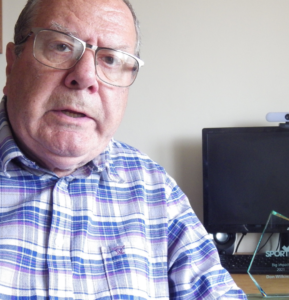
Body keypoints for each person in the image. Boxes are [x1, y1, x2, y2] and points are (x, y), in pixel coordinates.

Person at [0, 0, 246, 298]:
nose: (86, 77)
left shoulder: (155, 189)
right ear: (12, 63)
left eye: (111, 59)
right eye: (61, 46)